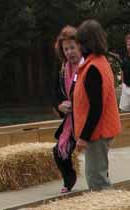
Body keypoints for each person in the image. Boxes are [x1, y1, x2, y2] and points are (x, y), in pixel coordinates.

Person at [73, 19, 122, 190]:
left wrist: (84, 137)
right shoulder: (99, 62)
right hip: (101, 129)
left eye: (78, 43)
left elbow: (96, 107)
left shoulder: (93, 68)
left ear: (85, 44)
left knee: (97, 179)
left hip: (98, 132)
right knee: (99, 173)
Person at [52, 26, 82, 194]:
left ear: (79, 46)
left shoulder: (86, 65)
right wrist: (60, 106)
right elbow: (55, 94)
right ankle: (69, 179)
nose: (70, 52)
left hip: (86, 118)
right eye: (66, 49)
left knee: (95, 154)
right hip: (71, 119)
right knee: (58, 151)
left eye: (72, 47)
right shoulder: (62, 69)